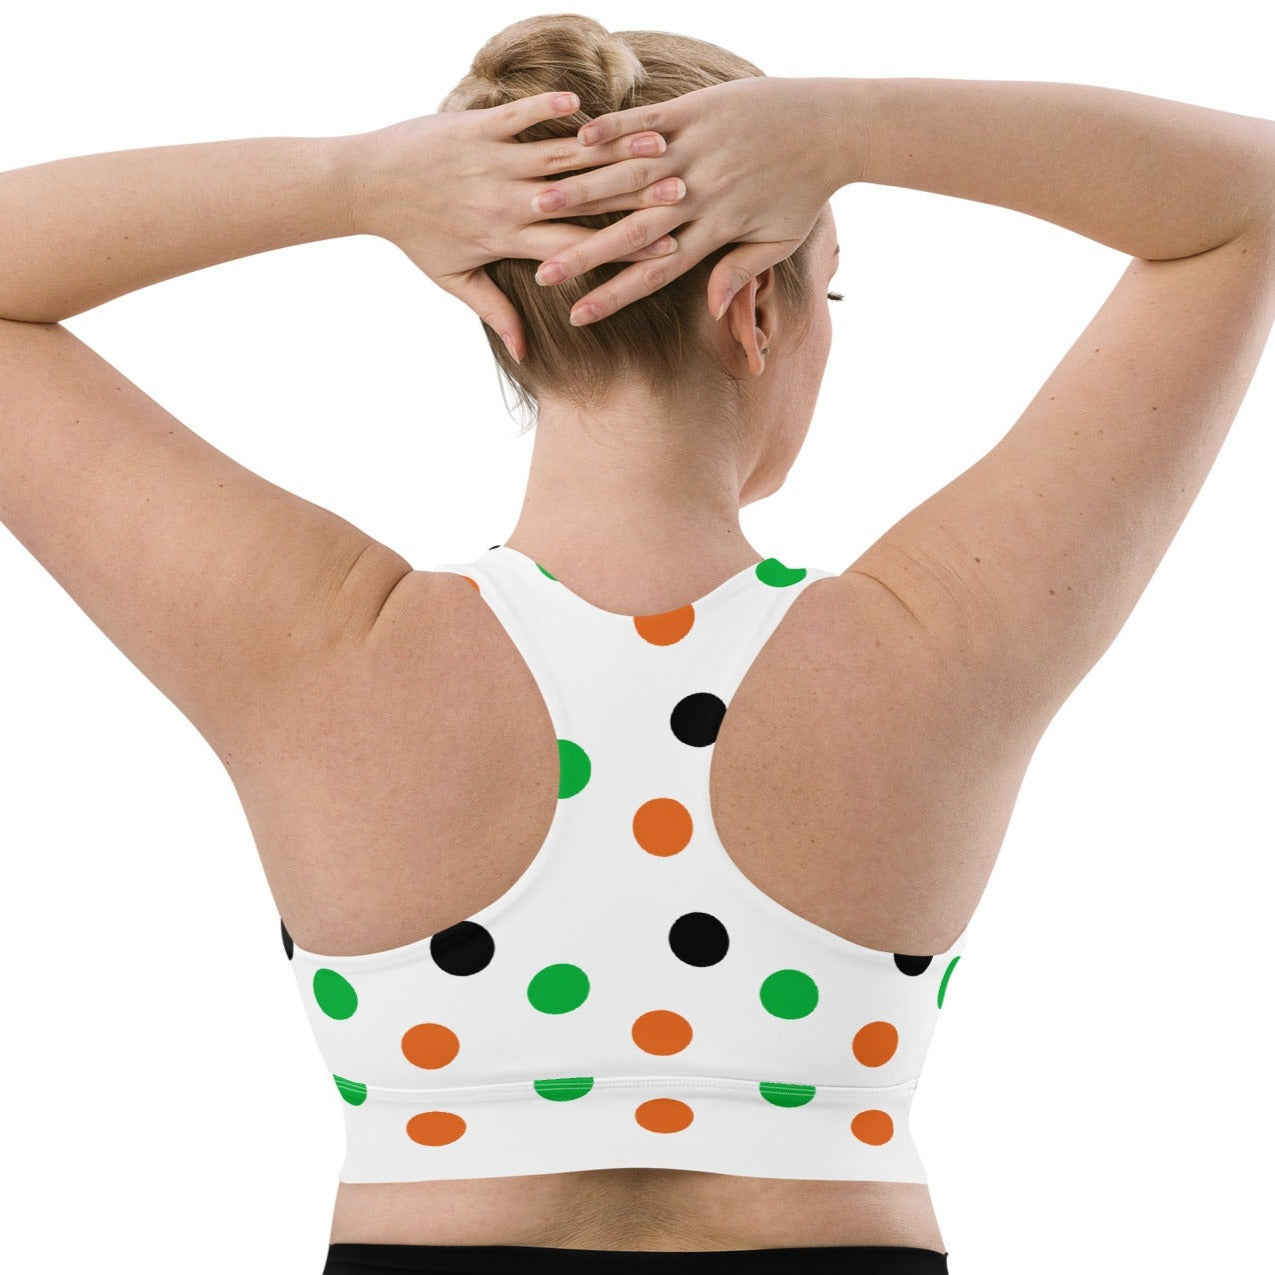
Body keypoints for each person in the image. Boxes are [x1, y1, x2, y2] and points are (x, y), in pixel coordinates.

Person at [2, 12, 1273, 1275]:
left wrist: (360, 181)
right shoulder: (933, 642)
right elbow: (1249, 201)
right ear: (755, 312)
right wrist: (853, 129)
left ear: (502, 311)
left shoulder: (325, 646)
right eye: (825, 286)